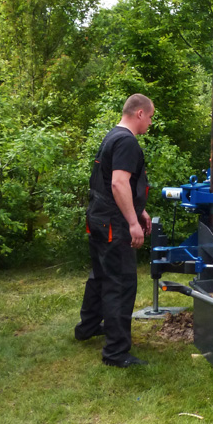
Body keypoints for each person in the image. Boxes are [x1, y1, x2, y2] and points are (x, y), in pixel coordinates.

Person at [75, 94, 154, 367]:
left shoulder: (112, 136)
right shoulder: (127, 142)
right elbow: (119, 184)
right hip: (113, 224)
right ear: (140, 113)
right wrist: (133, 223)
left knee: (99, 276)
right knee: (119, 283)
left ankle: (87, 327)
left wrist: (140, 210)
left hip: (98, 218)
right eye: (151, 116)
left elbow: (110, 180)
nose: (151, 123)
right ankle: (116, 352)